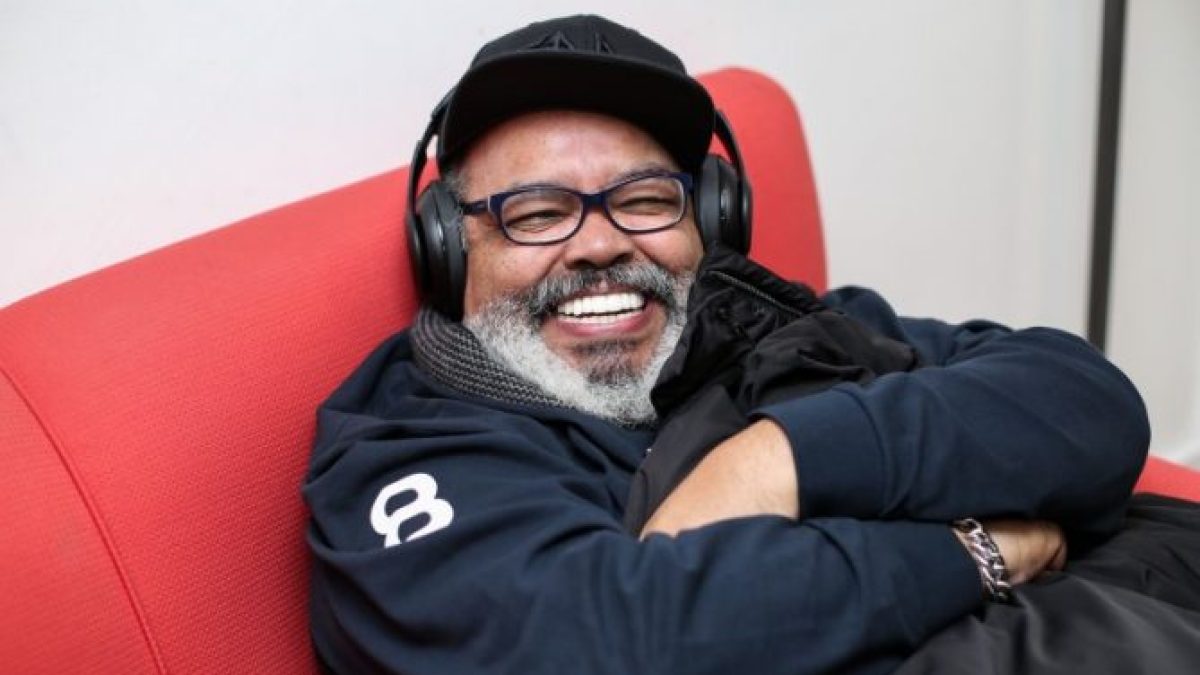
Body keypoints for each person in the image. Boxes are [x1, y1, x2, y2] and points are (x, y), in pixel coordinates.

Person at [303, 15, 1149, 674]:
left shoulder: (767, 325)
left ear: (712, 219)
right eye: (536, 212)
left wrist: (774, 463)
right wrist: (972, 551)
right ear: (448, 250)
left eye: (644, 199)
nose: (598, 244)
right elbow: (607, 645)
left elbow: (1084, 402)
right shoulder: (406, 456)